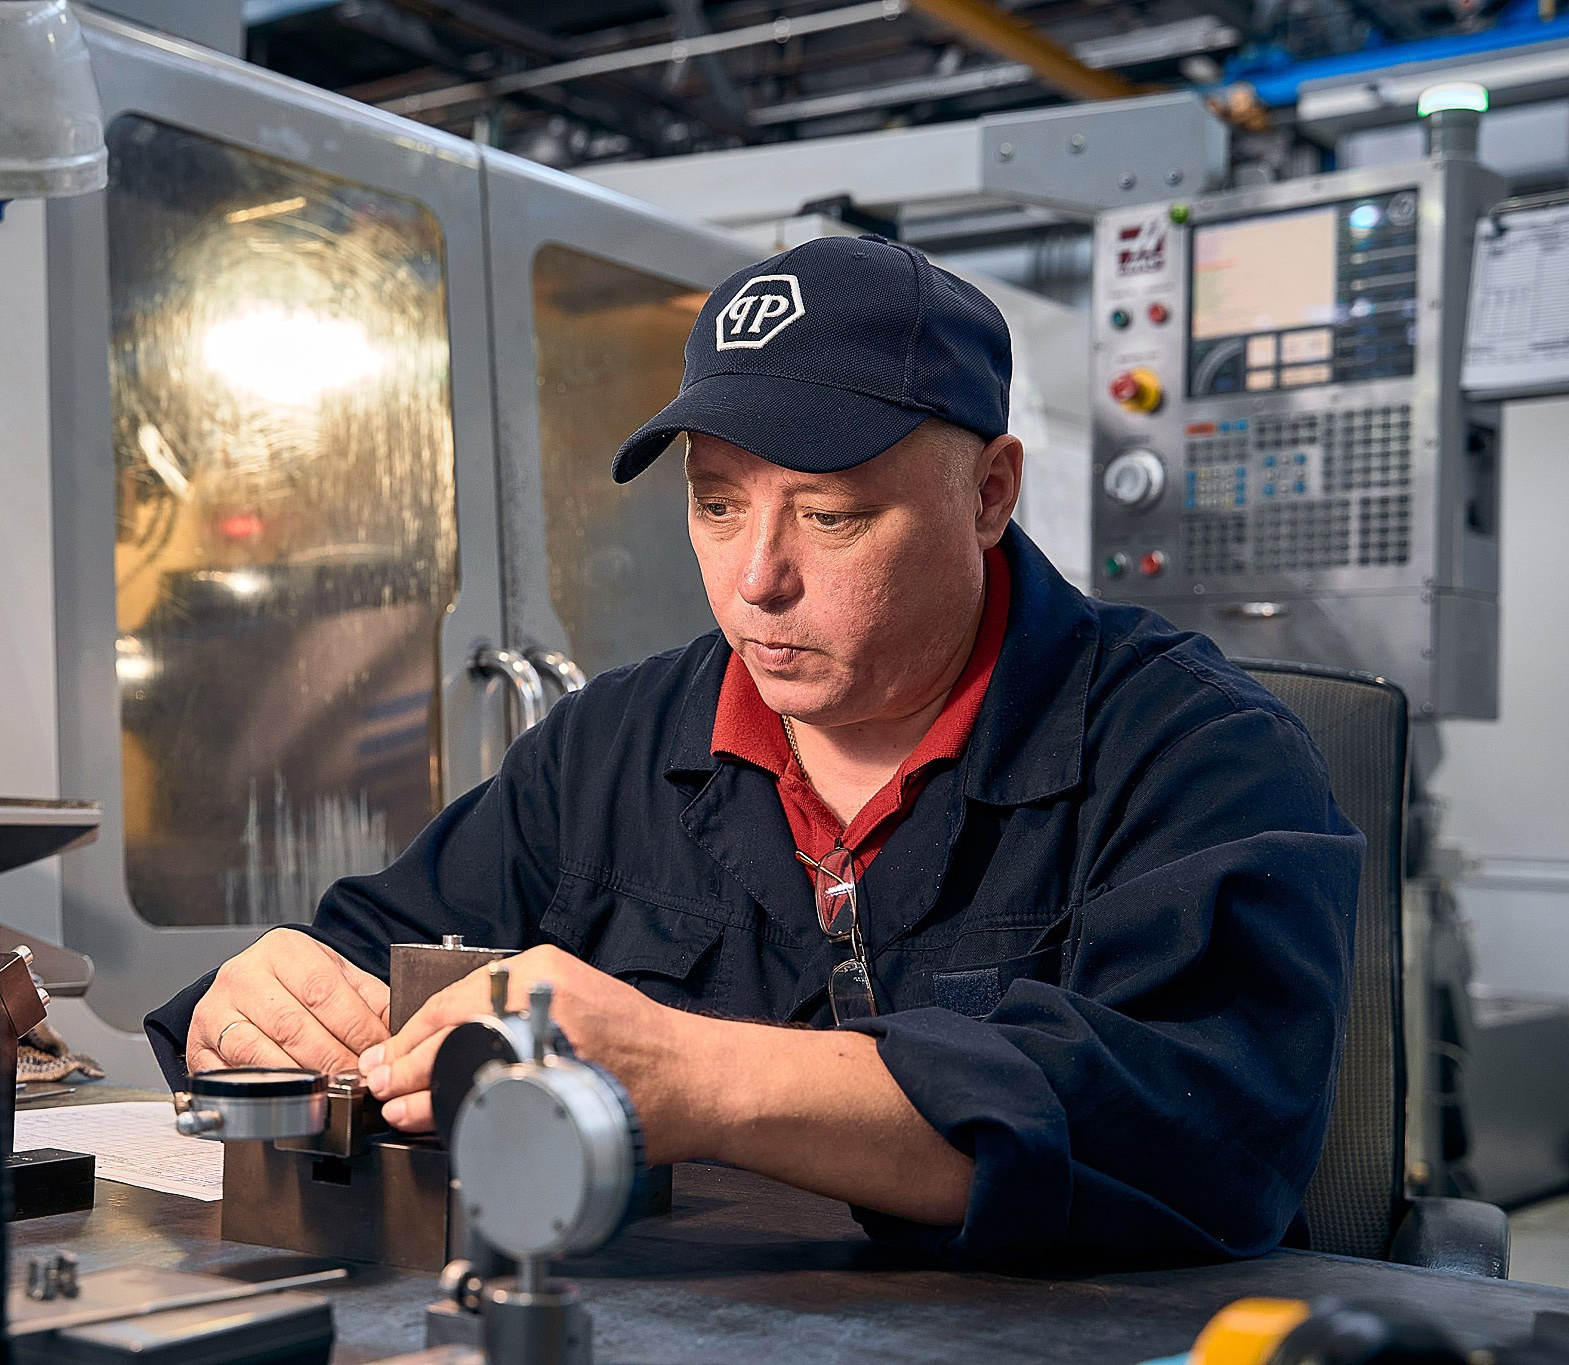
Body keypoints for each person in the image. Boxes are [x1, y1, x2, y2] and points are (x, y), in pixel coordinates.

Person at [146, 235, 1362, 1265]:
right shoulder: (609, 749)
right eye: (717, 502)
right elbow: (355, 960)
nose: (755, 580)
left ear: (989, 494)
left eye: (830, 515)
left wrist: (705, 1080)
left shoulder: (1195, 750)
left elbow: (1192, 1138)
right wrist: (260, 1008)